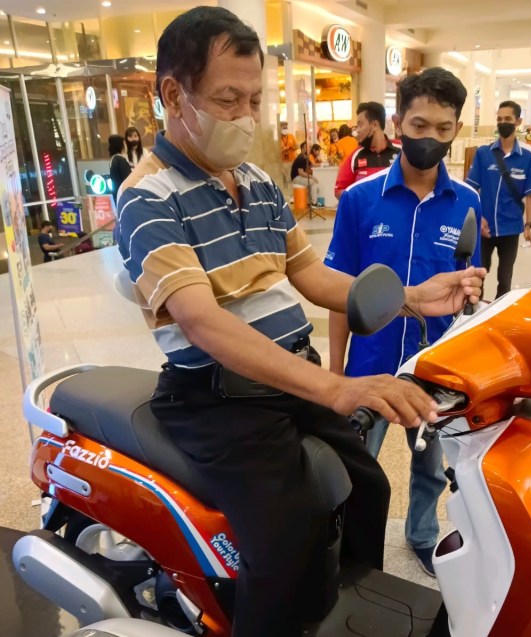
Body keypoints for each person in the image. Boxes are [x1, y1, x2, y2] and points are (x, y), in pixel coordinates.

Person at [115, 8, 485, 636]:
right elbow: (202, 323)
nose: (245, 116)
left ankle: (345, 614)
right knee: (282, 539)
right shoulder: (147, 196)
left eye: (255, 100)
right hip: (217, 400)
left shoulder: (258, 182)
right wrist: (337, 387)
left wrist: (413, 298)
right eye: (228, 99)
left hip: (288, 381)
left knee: (367, 486)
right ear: (174, 96)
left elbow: (314, 276)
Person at [324, 67, 482, 577]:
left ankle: (422, 535)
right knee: (352, 465)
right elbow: (337, 293)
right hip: (369, 364)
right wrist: (335, 369)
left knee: (431, 466)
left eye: (443, 128)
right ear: (397, 123)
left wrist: (470, 296)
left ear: (457, 129)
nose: (430, 137)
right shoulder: (359, 200)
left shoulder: (468, 203)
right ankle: (345, 546)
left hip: (437, 369)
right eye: (419, 125)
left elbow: (467, 289)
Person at [466, 100, 531, 299]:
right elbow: (471, 189)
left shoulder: (528, 156)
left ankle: (500, 309)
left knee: (505, 277)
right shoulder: (484, 153)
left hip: (511, 227)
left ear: (518, 121)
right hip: (485, 228)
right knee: (478, 273)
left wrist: (528, 225)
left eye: (507, 119)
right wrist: (478, 218)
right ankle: (476, 309)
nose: (502, 123)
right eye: (499, 119)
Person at [334, 101, 401, 199]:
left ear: (374, 125)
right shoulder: (355, 156)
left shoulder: (402, 150)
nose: (357, 131)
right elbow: (339, 190)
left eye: (360, 125)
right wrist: (361, 198)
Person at [290, 141, 321, 206]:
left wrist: (323, 165)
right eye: (307, 147)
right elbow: (301, 172)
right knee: (313, 182)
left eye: (309, 147)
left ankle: (309, 201)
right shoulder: (300, 158)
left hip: (299, 176)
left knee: (312, 182)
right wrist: (312, 177)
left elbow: (312, 165)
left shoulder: (305, 157)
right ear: (302, 149)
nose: (309, 149)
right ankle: (314, 202)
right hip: (296, 177)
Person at [108, 134, 132, 202]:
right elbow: (128, 180)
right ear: (120, 145)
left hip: (117, 196)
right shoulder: (121, 160)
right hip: (125, 197)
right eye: (125, 144)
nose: (126, 146)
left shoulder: (113, 160)